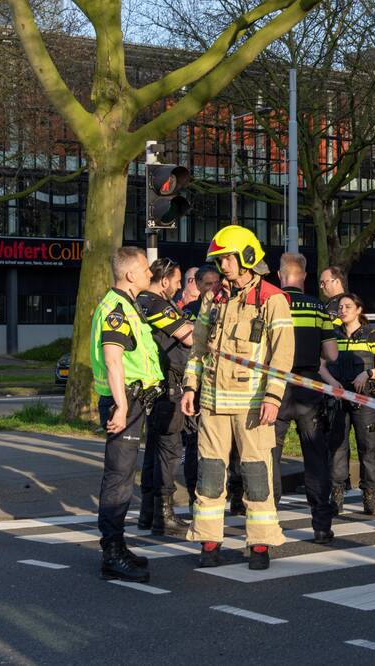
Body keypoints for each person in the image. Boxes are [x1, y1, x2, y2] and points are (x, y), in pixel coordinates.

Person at [180, 226, 293, 571]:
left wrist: (273, 398)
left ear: (246, 257)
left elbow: (282, 354)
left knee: (257, 474)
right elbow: (199, 348)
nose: (222, 265)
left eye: (227, 258)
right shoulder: (212, 299)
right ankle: (209, 541)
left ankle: (260, 544)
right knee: (210, 474)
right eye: (219, 259)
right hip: (212, 406)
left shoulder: (272, 299)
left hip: (253, 406)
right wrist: (190, 387)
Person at [91, 247, 163, 583]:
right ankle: (111, 554)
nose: (151, 274)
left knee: (122, 476)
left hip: (132, 401)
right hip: (125, 402)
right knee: (119, 479)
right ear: (131, 274)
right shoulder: (116, 309)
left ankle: (117, 545)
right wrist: (121, 405)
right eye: (146, 270)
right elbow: (113, 359)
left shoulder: (128, 305)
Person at [272, 252, 338, 541]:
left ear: (280, 275)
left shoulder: (271, 304)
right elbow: (332, 353)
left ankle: (269, 522)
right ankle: (321, 525)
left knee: (270, 455)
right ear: (305, 276)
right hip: (309, 389)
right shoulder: (317, 308)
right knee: (314, 456)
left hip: (275, 388)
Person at [135, 257, 193, 535]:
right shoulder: (155, 302)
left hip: (153, 383)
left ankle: (148, 513)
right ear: (165, 280)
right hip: (166, 384)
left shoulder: (140, 301)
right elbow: (188, 336)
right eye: (178, 281)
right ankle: (164, 514)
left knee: (153, 451)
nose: (180, 287)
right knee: (169, 451)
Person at [321, 293, 375, 515]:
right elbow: (321, 365)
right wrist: (332, 383)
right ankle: (337, 496)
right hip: (338, 398)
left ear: (359, 310)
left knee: (368, 448)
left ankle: (369, 496)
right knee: (337, 448)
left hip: (365, 398)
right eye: (340, 307)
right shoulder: (332, 334)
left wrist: (367, 374)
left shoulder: (371, 334)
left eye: (348, 306)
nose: (343, 310)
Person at [181, 263, 221, 506]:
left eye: (217, 283)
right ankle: (193, 495)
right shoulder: (191, 312)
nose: (214, 288)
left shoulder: (226, 308)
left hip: (222, 387)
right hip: (197, 387)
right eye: (208, 284)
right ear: (197, 285)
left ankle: (234, 494)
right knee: (195, 444)